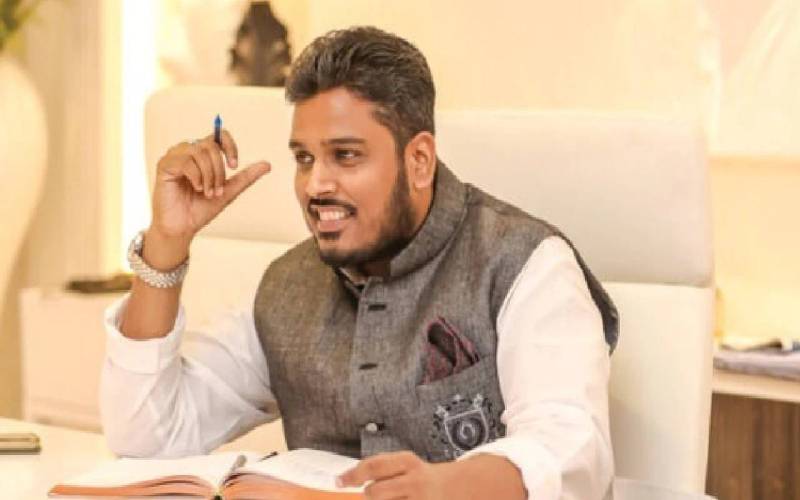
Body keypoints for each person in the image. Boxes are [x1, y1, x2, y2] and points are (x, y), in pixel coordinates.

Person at [101, 26, 619, 500]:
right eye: (304, 158)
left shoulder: (523, 262)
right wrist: (167, 240)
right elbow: (148, 438)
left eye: (345, 155)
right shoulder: (287, 287)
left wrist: (444, 487)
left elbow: (571, 451)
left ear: (418, 160)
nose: (315, 185)